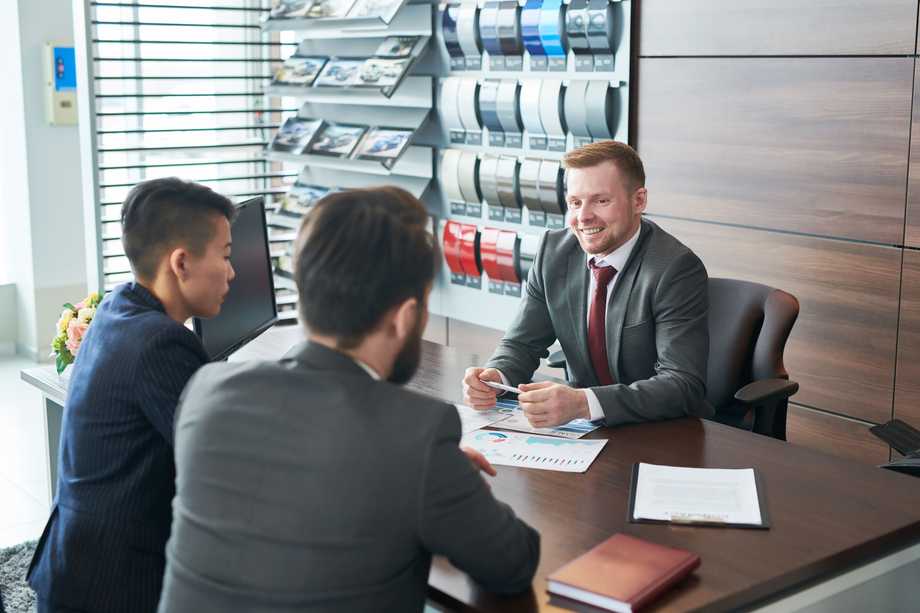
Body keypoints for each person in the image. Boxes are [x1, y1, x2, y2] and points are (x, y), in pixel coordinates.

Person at [158, 187, 540, 613]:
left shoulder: (206, 390)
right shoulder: (416, 435)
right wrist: (443, 480)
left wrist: (432, 478)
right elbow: (512, 563)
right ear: (405, 317)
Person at [28, 178, 237, 613]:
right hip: (112, 586)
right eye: (225, 255)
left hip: (74, 562)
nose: (232, 272)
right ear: (181, 263)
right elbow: (226, 467)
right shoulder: (160, 343)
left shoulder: (120, 306)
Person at [463, 141, 711, 428]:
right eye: (575, 202)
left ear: (639, 201)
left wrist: (583, 403)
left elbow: (682, 385)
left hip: (660, 431)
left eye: (601, 201)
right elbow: (521, 343)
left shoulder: (674, 268)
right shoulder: (553, 253)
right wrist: (496, 376)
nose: (583, 217)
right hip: (585, 431)